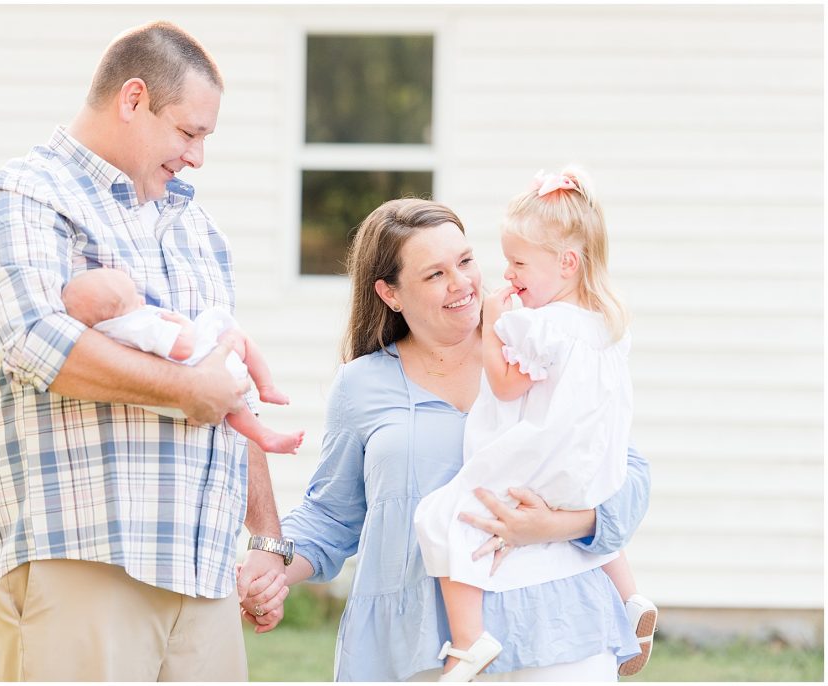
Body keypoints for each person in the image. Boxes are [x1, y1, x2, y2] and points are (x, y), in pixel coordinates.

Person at [0, 21, 290, 681]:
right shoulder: (23, 199)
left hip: (202, 574)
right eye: (189, 133)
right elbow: (32, 341)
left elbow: (224, 383)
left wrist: (266, 538)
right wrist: (189, 392)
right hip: (84, 559)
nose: (197, 157)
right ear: (133, 99)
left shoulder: (197, 228)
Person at [237, 198, 651, 681]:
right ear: (390, 294)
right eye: (434, 275)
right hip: (414, 643)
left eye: (466, 261)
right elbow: (332, 514)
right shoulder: (362, 385)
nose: (461, 283)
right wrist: (272, 571)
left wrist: (550, 525)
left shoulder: (536, 344)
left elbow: (621, 473)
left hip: (554, 627)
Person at [412, 168, 657, 681]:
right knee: (586, 523)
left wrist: (493, 325)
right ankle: (629, 598)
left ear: (567, 263)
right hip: (591, 471)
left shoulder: (538, 326)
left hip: (543, 463)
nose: (509, 273)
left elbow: (505, 386)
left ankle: (468, 642)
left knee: (442, 517)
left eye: (519, 262)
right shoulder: (606, 323)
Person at [61, 268, 304, 454]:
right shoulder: (137, 324)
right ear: (118, 309)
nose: (142, 302)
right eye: (135, 298)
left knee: (233, 407)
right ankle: (267, 387)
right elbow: (184, 348)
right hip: (202, 367)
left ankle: (264, 436)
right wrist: (181, 326)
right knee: (233, 333)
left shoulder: (107, 333)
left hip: (178, 395)